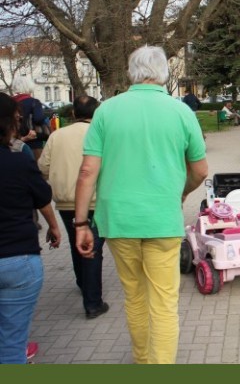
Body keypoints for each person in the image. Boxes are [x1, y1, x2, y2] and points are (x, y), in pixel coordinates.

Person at [74, 45, 208, 364]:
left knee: (134, 298)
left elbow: (87, 171)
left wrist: (80, 223)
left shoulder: (106, 110)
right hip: (162, 219)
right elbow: (200, 170)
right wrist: (183, 191)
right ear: (163, 73)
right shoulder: (181, 112)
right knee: (163, 304)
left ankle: (143, 362)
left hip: (119, 222)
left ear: (131, 72)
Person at [0, 93, 61, 364]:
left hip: (17, 258)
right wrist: (53, 226)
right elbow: (43, 197)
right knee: (13, 343)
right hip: (18, 258)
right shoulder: (18, 160)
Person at [38, 96, 109, 319]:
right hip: (96, 200)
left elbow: (43, 167)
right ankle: (93, 302)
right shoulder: (101, 134)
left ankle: (83, 283)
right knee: (93, 248)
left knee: (76, 243)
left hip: (66, 201)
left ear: (72, 114)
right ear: (96, 113)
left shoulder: (56, 136)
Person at [11, 77, 49, 160]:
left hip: (13, 142)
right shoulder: (34, 102)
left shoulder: (9, 102)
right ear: (29, 87)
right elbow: (38, 119)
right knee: (35, 168)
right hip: (33, 142)